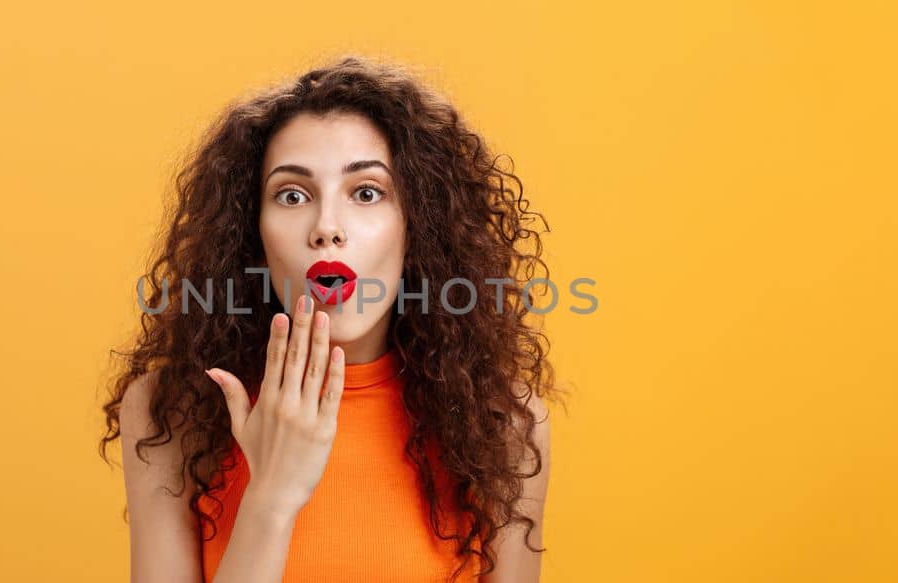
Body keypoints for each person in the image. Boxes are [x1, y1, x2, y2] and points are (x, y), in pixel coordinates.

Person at [99, 55, 563, 583]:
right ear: (252, 234)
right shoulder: (173, 411)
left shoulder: (503, 423)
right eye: (292, 195)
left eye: (366, 192)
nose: (327, 228)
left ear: (419, 227)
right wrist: (271, 497)